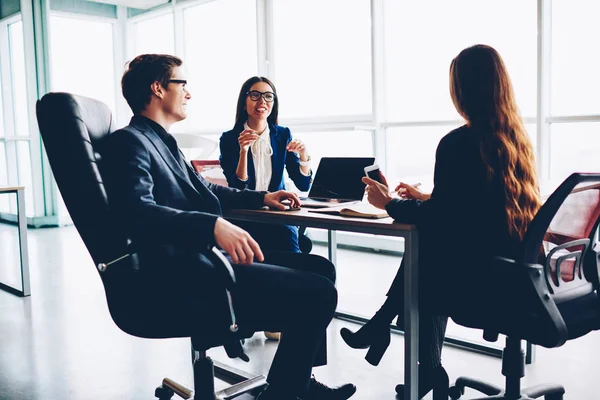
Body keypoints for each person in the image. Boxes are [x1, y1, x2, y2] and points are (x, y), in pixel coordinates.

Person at [102, 54, 356, 400]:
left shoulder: (162, 141)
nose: (188, 93)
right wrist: (212, 226)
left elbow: (206, 189)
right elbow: (136, 212)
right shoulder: (130, 141)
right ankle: (286, 391)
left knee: (321, 269)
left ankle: (296, 381)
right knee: (319, 293)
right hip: (188, 269)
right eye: (182, 84)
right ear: (158, 89)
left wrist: (262, 197)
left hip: (203, 258)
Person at [340, 44, 542, 399]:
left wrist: (390, 203)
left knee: (426, 255)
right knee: (430, 250)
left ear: (463, 90)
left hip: (483, 283)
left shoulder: (458, 143)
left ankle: (415, 356)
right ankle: (391, 337)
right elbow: (478, 207)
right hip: (517, 275)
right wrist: (427, 198)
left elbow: (442, 222)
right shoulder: (515, 140)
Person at [219, 77, 312, 254]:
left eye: (268, 96)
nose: (262, 101)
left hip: (278, 214)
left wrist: (303, 156)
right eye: (255, 95)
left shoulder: (283, 134)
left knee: (291, 255)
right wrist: (243, 151)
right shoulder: (230, 138)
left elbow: (303, 184)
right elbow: (237, 187)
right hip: (246, 215)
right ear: (244, 102)